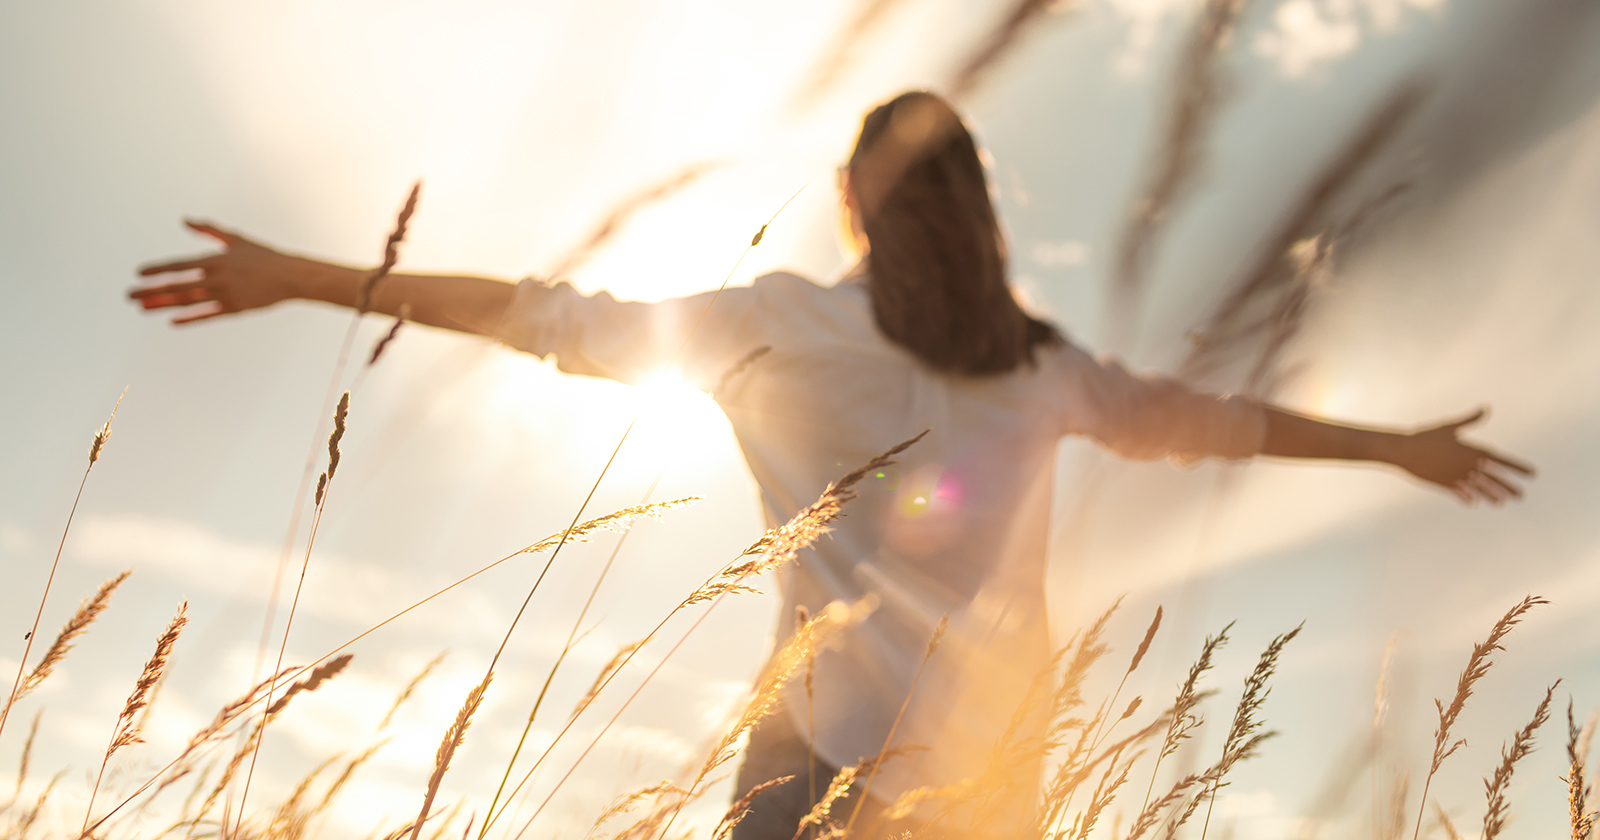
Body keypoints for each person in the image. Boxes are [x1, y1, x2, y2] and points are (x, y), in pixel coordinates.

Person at [132, 92, 1531, 840]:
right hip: (987, 777)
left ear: (857, 202)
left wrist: (307, 276)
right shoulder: (1046, 369)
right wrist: (1395, 447)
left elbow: (540, 315)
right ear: (981, 213)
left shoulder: (788, 325)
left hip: (812, 757)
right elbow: (1213, 421)